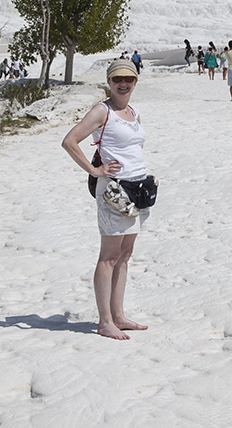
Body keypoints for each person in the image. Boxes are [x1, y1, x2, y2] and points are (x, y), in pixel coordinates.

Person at [61, 59, 150, 340]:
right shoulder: (102, 110)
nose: (123, 84)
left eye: (129, 79)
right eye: (117, 79)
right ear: (109, 82)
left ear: (136, 82)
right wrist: (94, 169)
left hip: (137, 190)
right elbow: (70, 141)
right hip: (114, 192)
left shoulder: (133, 111)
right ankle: (104, 321)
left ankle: (119, 316)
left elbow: (134, 146)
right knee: (109, 257)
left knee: (124, 255)